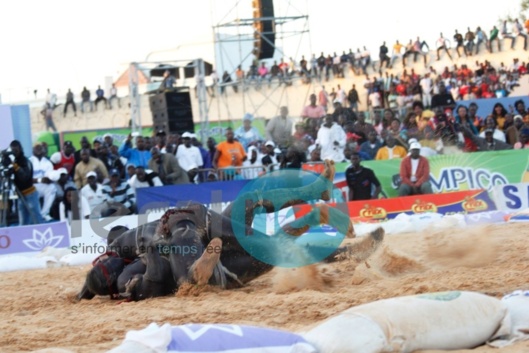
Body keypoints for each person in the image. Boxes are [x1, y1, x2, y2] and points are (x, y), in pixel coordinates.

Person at [2, 140, 44, 225]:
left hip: (30, 194)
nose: (14, 153)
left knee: (37, 219)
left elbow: (25, 176)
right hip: (21, 196)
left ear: (20, 149)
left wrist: (15, 166)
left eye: (16, 151)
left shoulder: (25, 161)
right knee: (23, 223)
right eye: (12, 151)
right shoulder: (14, 162)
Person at [29, 143, 56, 221]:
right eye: (36, 148)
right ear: (32, 150)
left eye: (40, 148)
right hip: (32, 186)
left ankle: (44, 213)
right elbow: (26, 179)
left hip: (43, 186)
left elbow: (49, 177)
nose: (39, 150)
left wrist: (50, 179)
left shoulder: (48, 163)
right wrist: (40, 180)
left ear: (44, 150)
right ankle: (36, 215)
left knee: (52, 188)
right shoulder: (29, 161)